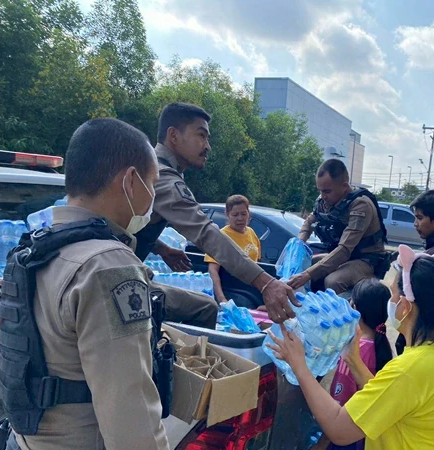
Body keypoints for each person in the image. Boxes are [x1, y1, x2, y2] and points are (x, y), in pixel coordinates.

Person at [0, 118, 179, 450]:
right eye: (152, 184)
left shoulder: (39, 247)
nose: (153, 199)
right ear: (130, 181)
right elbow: (131, 415)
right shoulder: (109, 266)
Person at [268, 244, 434, 450]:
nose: (391, 301)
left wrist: (300, 367)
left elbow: (339, 429)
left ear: (405, 307)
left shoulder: (409, 370)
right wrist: (353, 359)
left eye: (393, 294)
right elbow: (391, 399)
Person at [135, 102, 297, 322]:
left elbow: (130, 224)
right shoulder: (163, 177)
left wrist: (162, 248)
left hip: (123, 268)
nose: (208, 146)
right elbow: (206, 232)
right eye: (201, 136)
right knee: (205, 308)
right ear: (173, 135)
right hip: (117, 275)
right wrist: (266, 283)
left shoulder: (152, 169)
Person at [308, 278, 393, 450]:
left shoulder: (355, 352)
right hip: (366, 440)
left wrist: (322, 445)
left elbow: (341, 406)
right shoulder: (381, 345)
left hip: (345, 443)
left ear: (354, 309)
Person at [289, 159, 387, 294]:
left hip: (366, 260)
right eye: (320, 191)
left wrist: (307, 275)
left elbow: (345, 249)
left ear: (344, 186)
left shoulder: (361, 205)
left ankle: (341, 307)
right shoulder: (327, 201)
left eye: (327, 191)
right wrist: (299, 244)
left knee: (333, 281)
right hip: (342, 256)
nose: (323, 196)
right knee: (304, 263)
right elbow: (309, 222)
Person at [205, 195, 261, 303]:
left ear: (249, 214)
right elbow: (213, 271)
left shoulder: (251, 233)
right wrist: (222, 299)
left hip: (251, 292)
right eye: (235, 214)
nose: (240, 218)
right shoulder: (221, 236)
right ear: (227, 215)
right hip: (232, 292)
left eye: (243, 214)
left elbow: (257, 264)